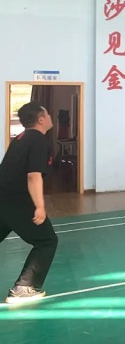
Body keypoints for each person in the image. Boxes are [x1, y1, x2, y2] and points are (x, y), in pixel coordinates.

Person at [0, 101, 58, 304]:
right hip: (18, 202)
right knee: (47, 241)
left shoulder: (20, 138)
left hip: (3, 199)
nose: (50, 117)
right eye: (47, 114)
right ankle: (23, 288)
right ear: (41, 119)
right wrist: (40, 207)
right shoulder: (38, 140)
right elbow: (33, 176)